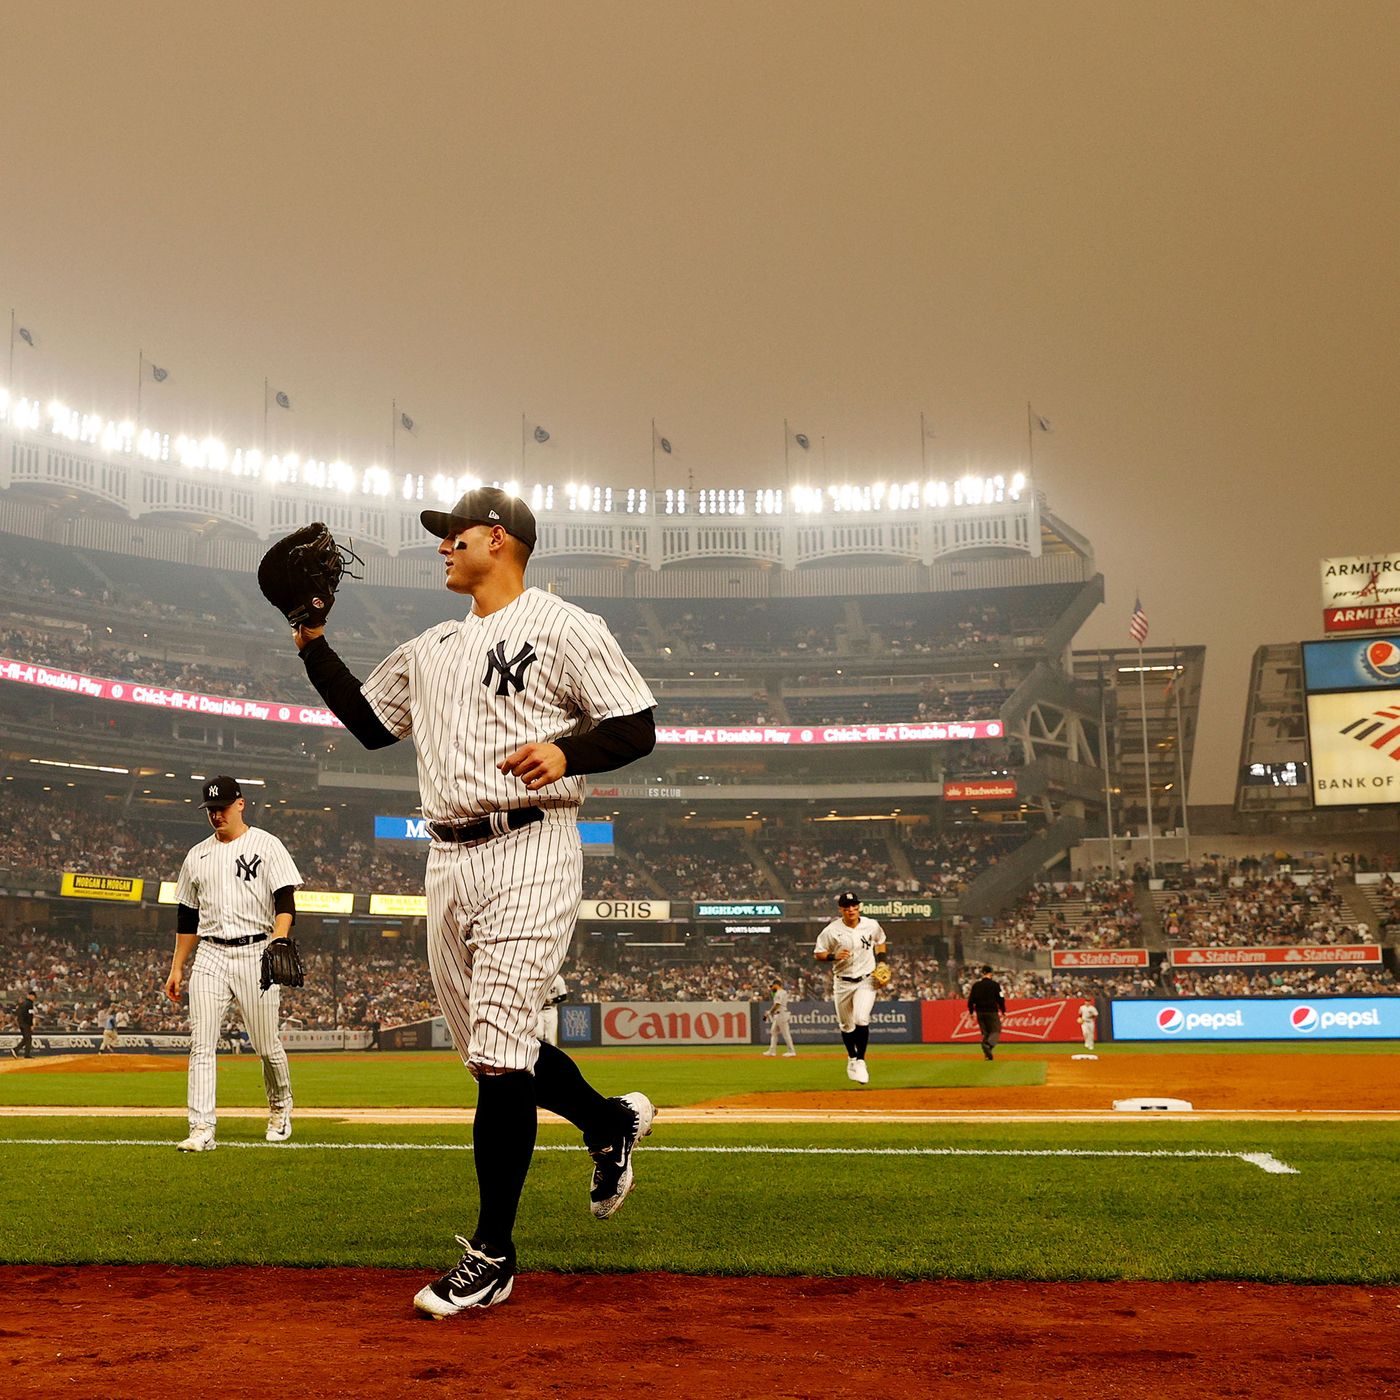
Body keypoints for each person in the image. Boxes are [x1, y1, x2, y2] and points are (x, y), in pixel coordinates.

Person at [289, 486, 660, 1320]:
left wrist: (568, 751)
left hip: (532, 845)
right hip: (446, 861)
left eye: (452, 535)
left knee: (498, 1058)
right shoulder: (429, 647)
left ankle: (493, 1256)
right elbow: (372, 724)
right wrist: (312, 641)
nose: (442, 547)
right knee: (504, 1053)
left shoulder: (565, 625)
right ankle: (608, 1124)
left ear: (500, 538)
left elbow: (635, 725)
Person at [162, 776, 303, 1153]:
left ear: (240, 804)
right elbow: (187, 918)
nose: (215, 815)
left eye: (221, 807)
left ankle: (279, 1107)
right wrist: (177, 967)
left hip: (256, 951)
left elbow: (285, 902)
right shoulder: (197, 855)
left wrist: (279, 938)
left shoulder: (266, 845)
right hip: (210, 953)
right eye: (210, 809)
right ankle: (201, 1127)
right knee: (201, 1045)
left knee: (265, 1045)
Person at [813, 891, 887, 1085]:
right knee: (847, 1025)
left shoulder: (871, 924)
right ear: (841, 909)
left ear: (859, 906)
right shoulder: (831, 930)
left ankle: (861, 1061)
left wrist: (882, 963)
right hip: (842, 981)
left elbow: (880, 942)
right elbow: (818, 953)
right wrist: (832, 956)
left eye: (854, 905)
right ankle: (852, 1058)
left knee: (861, 1018)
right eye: (847, 907)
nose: (851, 909)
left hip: (867, 979)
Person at [967, 965, 1005, 1061]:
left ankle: (987, 1054)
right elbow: (1000, 999)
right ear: (990, 973)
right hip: (992, 1011)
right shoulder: (995, 985)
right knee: (996, 1031)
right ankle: (987, 1045)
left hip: (980, 1012)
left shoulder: (976, 985)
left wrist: (971, 1011)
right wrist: (1003, 1010)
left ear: (982, 973)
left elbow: (971, 1000)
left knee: (986, 1033)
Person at [762, 980, 796, 1057]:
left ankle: (791, 1051)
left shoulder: (780, 992)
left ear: (776, 985)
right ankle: (772, 1051)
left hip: (781, 1014)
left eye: (773, 985)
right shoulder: (780, 992)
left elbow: (777, 1004)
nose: (772, 987)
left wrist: (769, 1012)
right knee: (773, 1032)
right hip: (778, 1014)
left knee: (785, 1033)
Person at [537, 973, 568, 1047]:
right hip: (538, 1010)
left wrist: (553, 1000)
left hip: (551, 1010)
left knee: (550, 1039)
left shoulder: (558, 979)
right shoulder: (537, 977)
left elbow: (564, 996)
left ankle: (550, 1057)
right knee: (538, 1034)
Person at [12, 991, 35, 1058]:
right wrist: (31, 1025)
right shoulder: (29, 1004)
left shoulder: (22, 1003)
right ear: (31, 996)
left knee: (26, 1038)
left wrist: (19, 1022)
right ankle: (25, 1054)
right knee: (28, 1039)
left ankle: (16, 1050)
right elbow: (30, 1015)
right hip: (26, 1023)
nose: (34, 998)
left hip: (21, 1023)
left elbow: (18, 1013)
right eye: (33, 997)